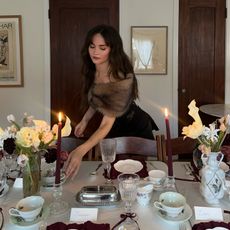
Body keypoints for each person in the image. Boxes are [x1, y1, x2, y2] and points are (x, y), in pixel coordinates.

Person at [65, 24, 158, 179]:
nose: (95, 52)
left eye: (102, 48)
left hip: (134, 127)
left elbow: (106, 124)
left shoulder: (117, 78)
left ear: (112, 49)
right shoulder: (96, 68)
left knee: (134, 176)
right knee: (112, 173)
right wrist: (85, 120)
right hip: (114, 126)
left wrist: (81, 150)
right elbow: (98, 99)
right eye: (92, 46)